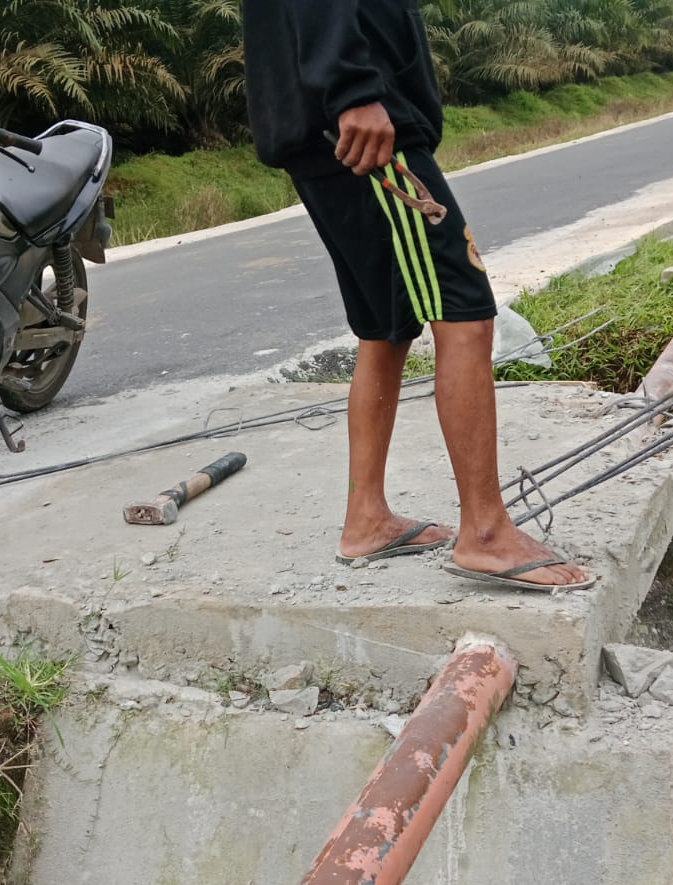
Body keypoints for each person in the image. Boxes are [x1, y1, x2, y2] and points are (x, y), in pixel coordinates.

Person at [241, 0, 594, 592]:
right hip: (362, 126)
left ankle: (366, 519)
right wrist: (353, 90)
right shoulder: (353, 98)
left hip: (327, 123)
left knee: (386, 325)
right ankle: (485, 532)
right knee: (464, 312)